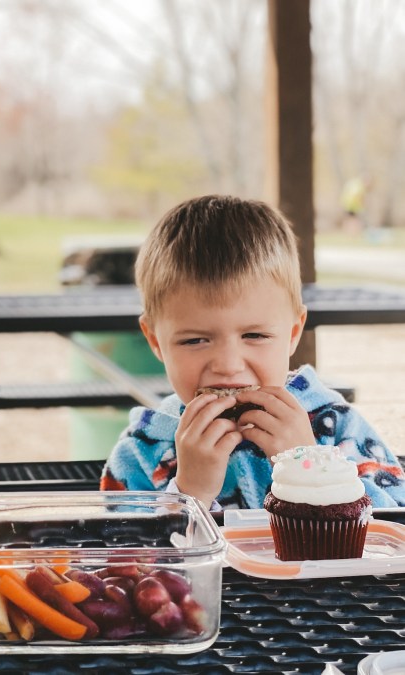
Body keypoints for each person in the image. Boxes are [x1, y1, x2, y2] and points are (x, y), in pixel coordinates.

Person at [101, 195, 405, 510]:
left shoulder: (337, 428)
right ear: (155, 340)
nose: (228, 365)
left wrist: (314, 471)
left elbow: (393, 530)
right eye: (195, 341)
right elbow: (120, 555)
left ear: (292, 332)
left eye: (255, 335)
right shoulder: (142, 449)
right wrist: (188, 494)